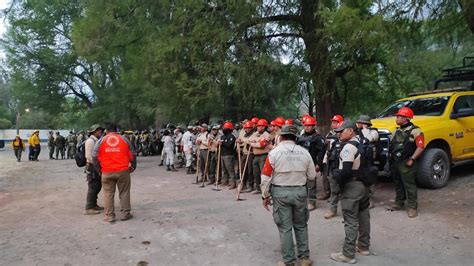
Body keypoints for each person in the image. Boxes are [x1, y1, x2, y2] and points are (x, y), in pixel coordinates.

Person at [260, 125, 316, 266]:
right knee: (301, 226)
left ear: (282, 137)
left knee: (285, 228)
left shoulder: (274, 153)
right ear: (295, 137)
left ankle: (289, 261)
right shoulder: (305, 153)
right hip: (300, 192)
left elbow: (265, 177)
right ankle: (304, 258)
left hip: (281, 193)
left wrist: (265, 196)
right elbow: (312, 175)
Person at [330, 119, 371, 264]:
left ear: (351, 131)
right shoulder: (363, 143)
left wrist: (338, 182)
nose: (339, 134)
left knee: (351, 220)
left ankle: (348, 254)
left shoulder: (349, 147)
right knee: (364, 216)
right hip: (364, 185)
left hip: (352, 186)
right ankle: (364, 247)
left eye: (342, 131)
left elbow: (346, 171)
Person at [93, 123, 137, 223]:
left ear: (106, 131)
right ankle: (125, 214)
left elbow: (94, 155)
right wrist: (133, 166)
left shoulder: (101, 141)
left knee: (108, 194)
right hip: (122, 171)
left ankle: (110, 216)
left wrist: (99, 169)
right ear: (116, 130)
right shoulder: (124, 139)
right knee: (124, 192)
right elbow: (133, 153)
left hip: (107, 171)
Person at [387, 107, 424, 218]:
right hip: (395, 161)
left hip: (407, 161)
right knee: (398, 183)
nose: (396, 118)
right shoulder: (395, 131)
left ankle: (412, 207)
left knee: (409, 185)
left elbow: (421, 147)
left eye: (399, 116)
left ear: (406, 118)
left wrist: (412, 159)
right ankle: (399, 202)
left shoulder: (416, 131)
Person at [297, 116, 325, 211]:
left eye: (309, 126)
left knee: (311, 183)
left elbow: (321, 152)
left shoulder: (317, 138)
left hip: (311, 163)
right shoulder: (301, 137)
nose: (307, 127)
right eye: (306, 125)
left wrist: (319, 164)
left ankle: (312, 202)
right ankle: (302, 200)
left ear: (313, 126)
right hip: (300, 163)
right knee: (301, 182)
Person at [323, 115, 344, 219]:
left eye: (341, 131)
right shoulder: (334, 142)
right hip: (334, 169)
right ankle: (333, 210)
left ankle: (348, 213)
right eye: (338, 131)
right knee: (334, 191)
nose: (339, 133)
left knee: (347, 192)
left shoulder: (352, 143)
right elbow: (329, 156)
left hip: (345, 171)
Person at [356, 115, 379, 208]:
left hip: (369, 159)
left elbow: (367, 139)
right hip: (360, 158)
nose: (358, 124)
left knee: (369, 178)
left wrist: (364, 129)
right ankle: (361, 197)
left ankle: (370, 199)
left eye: (360, 123)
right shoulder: (357, 132)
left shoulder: (373, 132)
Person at [84, 124, 104, 215]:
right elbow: (88, 156)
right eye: (98, 131)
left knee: (98, 185)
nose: (100, 132)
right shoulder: (90, 141)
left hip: (95, 166)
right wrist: (97, 165)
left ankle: (94, 204)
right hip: (92, 166)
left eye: (100, 130)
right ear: (94, 131)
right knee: (93, 186)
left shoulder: (96, 140)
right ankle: (89, 207)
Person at [248, 118, 271, 194]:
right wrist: (257, 139)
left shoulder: (267, 134)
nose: (258, 127)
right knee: (256, 173)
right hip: (256, 156)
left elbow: (261, 145)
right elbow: (249, 139)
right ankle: (258, 188)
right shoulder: (256, 133)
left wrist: (252, 143)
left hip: (263, 155)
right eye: (258, 126)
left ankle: (266, 189)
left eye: (260, 126)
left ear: (264, 127)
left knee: (263, 174)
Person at [237, 121, 255, 192]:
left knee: (250, 170)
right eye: (246, 128)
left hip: (250, 153)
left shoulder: (254, 134)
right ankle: (243, 184)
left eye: (248, 128)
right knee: (242, 168)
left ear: (251, 128)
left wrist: (243, 140)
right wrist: (239, 141)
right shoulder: (245, 134)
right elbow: (242, 141)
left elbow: (250, 141)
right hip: (245, 153)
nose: (247, 129)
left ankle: (250, 185)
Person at [219, 122, 237, 188]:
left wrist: (222, 143)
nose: (224, 129)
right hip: (222, 154)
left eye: (225, 128)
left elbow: (229, 145)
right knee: (224, 169)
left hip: (229, 155)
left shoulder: (232, 137)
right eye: (223, 128)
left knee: (230, 170)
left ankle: (233, 183)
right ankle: (225, 181)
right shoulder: (222, 136)